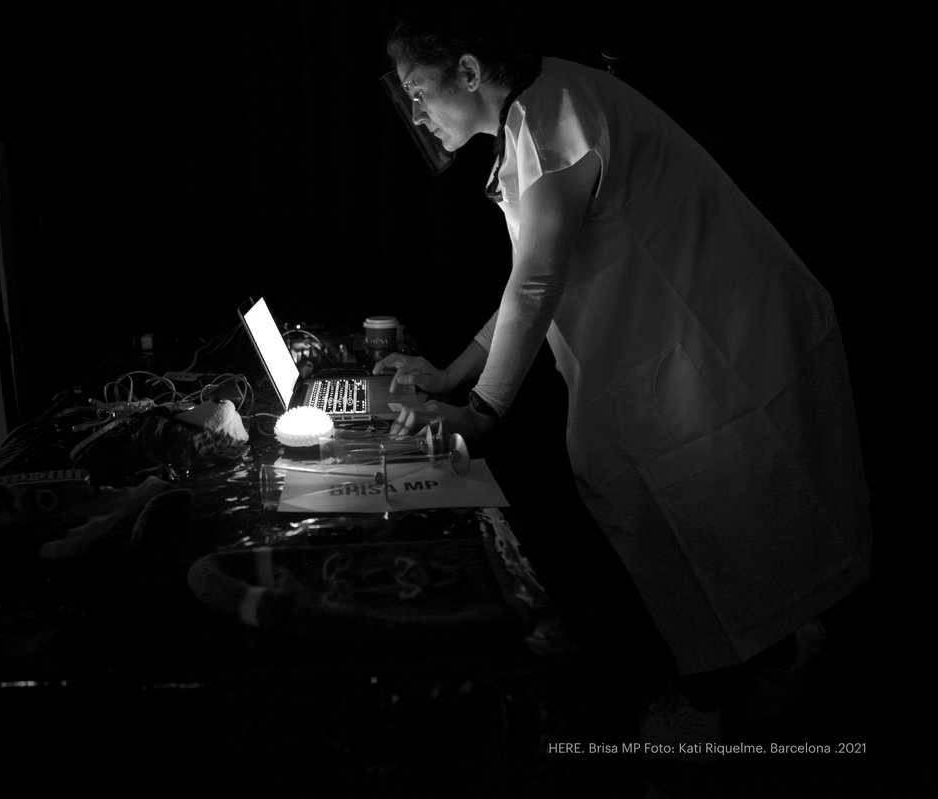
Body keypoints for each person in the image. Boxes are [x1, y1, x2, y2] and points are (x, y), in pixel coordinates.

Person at [373, 4, 873, 753]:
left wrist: (480, 408)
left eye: (418, 90)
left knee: (705, 515)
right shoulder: (538, 111)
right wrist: (450, 374)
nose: (415, 112)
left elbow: (536, 282)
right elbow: (530, 278)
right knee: (668, 510)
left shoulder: (554, 115)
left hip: (724, 342)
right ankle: (764, 661)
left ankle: (714, 699)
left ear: (469, 72)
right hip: (681, 346)